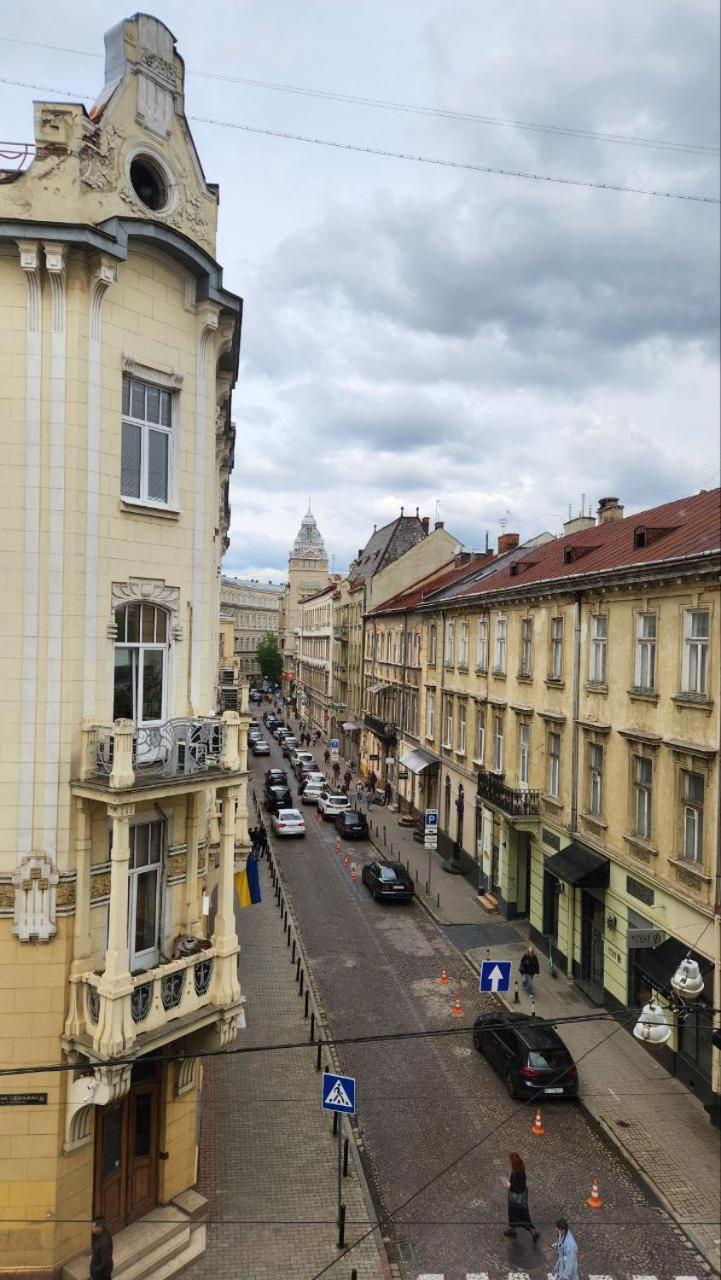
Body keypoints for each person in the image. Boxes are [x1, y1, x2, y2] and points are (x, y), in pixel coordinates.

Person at [503, 1152, 540, 1244]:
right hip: (519, 1199)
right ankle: (513, 1231)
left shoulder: (520, 1173)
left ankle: (532, 1232)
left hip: (517, 1200)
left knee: (517, 1216)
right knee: (519, 1215)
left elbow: (519, 1189)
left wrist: (509, 1185)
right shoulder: (518, 1170)